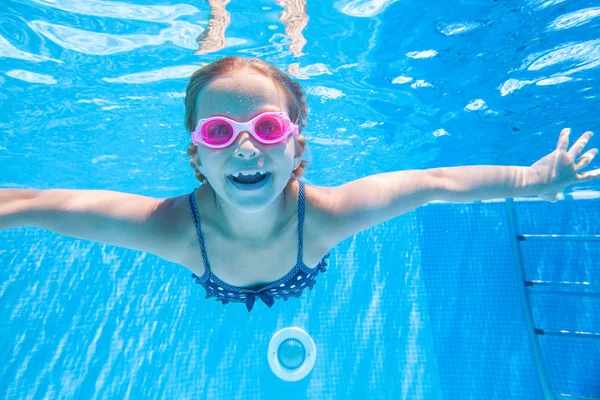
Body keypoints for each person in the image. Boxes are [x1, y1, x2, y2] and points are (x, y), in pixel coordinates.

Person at [1, 56, 598, 312]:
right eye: (218, 131)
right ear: (196, 161)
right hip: (221, 273)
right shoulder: (175, 228)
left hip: (294, 268)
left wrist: (532, 179)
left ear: (297, 151)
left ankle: (291, 27)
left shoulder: (330, 213)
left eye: (265, 127)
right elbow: (47, 205)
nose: (244, 146)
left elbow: (432, 181)